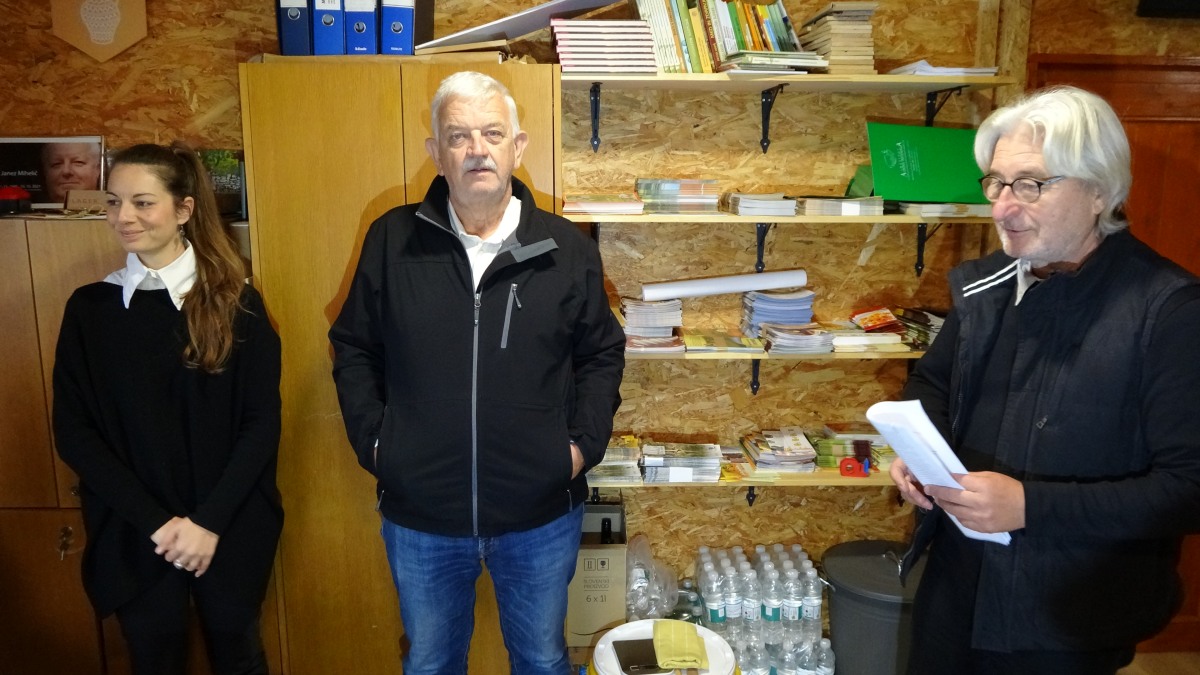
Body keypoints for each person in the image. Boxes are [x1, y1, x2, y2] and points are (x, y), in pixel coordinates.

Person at [888, 85, 1200, 675]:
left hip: (1069, 616)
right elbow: (933, 384)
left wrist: (1030, 506)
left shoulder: (1170, 312)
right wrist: (919, 453)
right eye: (996, 183)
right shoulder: (986, 284)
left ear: (1100, 191)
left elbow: (1189, 488)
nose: (1002, 208)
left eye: (1031, 184)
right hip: (956, 587)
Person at [329, 71, 625, 675]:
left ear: (517, 146)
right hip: (423, 514)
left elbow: (601, 354)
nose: (476, 150)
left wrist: (578, 449)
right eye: (458, 136)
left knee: (542, 660)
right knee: (431, 663)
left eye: (492, 133)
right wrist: (379, 446)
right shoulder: (392, 240)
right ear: (436, 153)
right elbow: (354, 346)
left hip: (541, 512)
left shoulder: (566, 249)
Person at [53, 142, 283, 674]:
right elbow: (74, 432)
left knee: (239, 655)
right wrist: (158, 524)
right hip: (134, 528)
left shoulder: (237, 303)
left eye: (142, 203)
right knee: (153, 658)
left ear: (184, 209)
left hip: (228, 525)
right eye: (114, 202)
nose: (123, 217)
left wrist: (207, 524)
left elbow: (260, 424)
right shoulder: (91, 310)